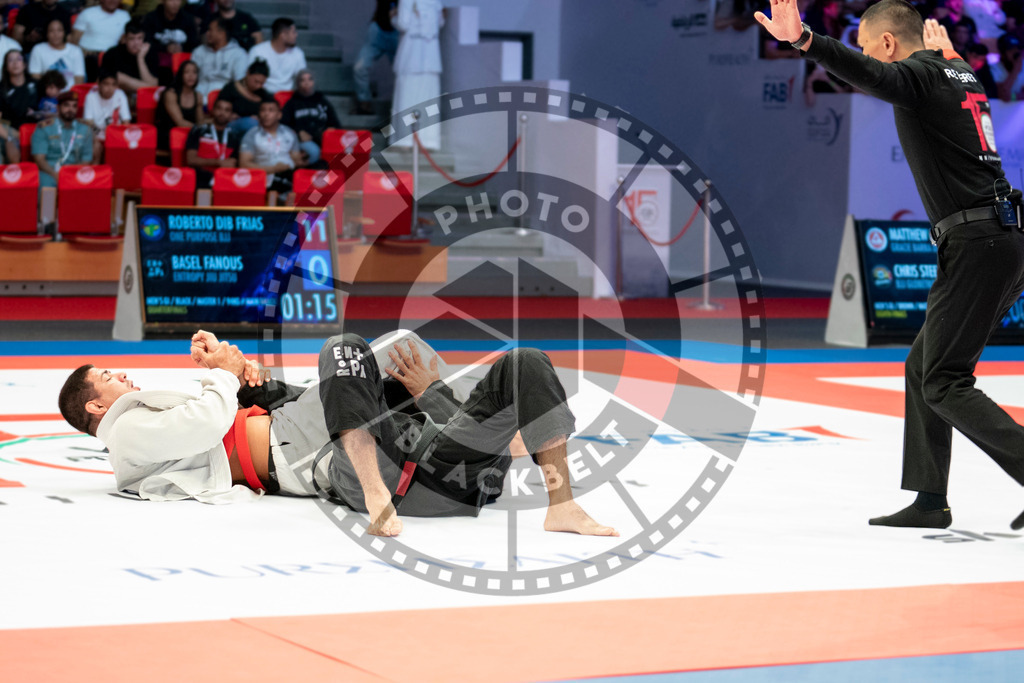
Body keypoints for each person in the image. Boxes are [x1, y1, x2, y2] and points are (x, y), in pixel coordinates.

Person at [756, 0, 1024, 530]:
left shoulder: (920, 75)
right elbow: (931, 71)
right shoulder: (960, 73)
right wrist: (950, 56)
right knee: (923, 368)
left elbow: (870, 73)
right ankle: (930, 499)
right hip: (1001, 237)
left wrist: (805, 39)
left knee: (943, 380)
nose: (866, 56)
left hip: (978, 243)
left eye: (867, 46)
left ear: (887, 43)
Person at [57, 329, 618, 538]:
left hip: (442, 465)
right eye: (108, 376)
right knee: (345, 350)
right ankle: (378, 494)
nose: (122, 375)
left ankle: (561, 504)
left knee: (525, 361)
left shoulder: (165, 417)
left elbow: (259, 399)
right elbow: (205, 420)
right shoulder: (125, 433)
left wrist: (238, 370)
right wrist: (224, 373)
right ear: (97, 406)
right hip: (342, 462)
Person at [392, 0, 443, 150]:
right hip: (431, 54)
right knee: (429, 99)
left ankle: (404, 140)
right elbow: (440, 22)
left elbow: (403, 23)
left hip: (411, 54)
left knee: (407, 97)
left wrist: (393, 17)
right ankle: (429, 140)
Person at [31, 89, 92, 188]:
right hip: (49, 172)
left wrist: (74, 176)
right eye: (66, 105)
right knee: (46, 186)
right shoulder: (44, 128)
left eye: (74, 106)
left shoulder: (85, 129)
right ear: (58, 108)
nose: (70, 109)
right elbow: (39, 159)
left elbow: (86, 158)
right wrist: (56, 175)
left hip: (75, 173)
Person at [239, 97, 302, 192]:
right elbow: (244, 164)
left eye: (271, 110)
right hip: (265, 178)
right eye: (263, 110)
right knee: (282, 182)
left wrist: (300, 161)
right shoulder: (251, 135)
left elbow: (296, 159)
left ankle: (313, 199)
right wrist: (274, 169)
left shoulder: (289, 133)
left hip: (289, 174)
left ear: (279, 115)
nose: (266, 114)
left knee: (319, 172)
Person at [281, 69, 339, 166]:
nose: (306, 83)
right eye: (302, 80)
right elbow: (283, 125)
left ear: (314, 82)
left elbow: (335, 124)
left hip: (322, 138)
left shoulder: (322, 101)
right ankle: (308, 174)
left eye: (310, 79)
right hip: (302, 141)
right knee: (313, 151)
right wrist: (298, 133)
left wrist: (330, 131)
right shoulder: (292, 103)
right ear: (297, 84)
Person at [353, 0, 400, 115]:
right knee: (359, 67)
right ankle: (364, 102)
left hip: (397, 33)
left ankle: (399, 107)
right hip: (378, 30)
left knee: (401, 72)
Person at [184, 96, 240, 187]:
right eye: (219, 108)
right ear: (213, 110)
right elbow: (191, 160)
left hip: (224, 179)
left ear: (231, 115)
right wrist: (218, 162)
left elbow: (232, 163)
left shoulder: (234, 136)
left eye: (227, 110)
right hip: (200, 177)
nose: (222, 113)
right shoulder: (199, 130)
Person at [70, 0, 131, 82]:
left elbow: (126, 41)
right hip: (88, 56)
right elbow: (74, 40)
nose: (113, 1)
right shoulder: (87, 13)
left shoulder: (124, 16)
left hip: (112, 58)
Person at [141, 0, 199, 85]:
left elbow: (194, 44)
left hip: (181, 67)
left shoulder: (188, 19)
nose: (175, 3)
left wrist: (181, 48)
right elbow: (146, 43)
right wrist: (166, 48)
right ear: (162, 1)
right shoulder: (151, 18)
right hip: (156, 67)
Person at [246, 17, 305, 94]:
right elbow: (249, 78)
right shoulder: (257, 51)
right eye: (293, 32)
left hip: (287, 96)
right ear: (283, 35)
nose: (296, 35)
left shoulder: (298, 53)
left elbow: (302, 78)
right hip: (262, 94)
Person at [191, 15, 246, 98]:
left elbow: (240, 82)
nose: (207, 33)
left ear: (222, 33)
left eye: (210, 30)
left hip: (224, 99)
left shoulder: (238, 54)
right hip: (198, 97)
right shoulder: (199, 51)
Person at [154, 58, 204, 151]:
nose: (191, 76)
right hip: (168, 135)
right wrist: (201, 130)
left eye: (194, 72)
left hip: (189, 135)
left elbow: (200, 122)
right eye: (187, 72)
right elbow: (180, 122)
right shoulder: (170, 93)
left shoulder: (198, 96)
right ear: (180, 75)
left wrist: (204, 129)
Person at [101, 19, 159, 96]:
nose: (136, 43)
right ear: (124, 39)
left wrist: (140, 58)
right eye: (132, 38)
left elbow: (153, 84)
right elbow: (107, 80)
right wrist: (148, 87)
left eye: (139, 38)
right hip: (117, 96)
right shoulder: (112, 53)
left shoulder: (150, 53)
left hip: (145, 97)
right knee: (118, 76)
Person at [83, 68, 131, 160]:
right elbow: (89, 123)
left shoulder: (120, 95)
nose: (110, 88)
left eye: (113, 84)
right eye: (106, 84)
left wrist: (114, 137)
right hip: (96, 136)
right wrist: (100, 135)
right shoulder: (90, 97)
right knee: (94, 146)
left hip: (115, 136)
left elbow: (126, 122)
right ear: (99, 84)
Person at [216, 57, 272, 135]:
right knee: (251, 123)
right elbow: (219, 109)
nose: (258, 86)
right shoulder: (231, 89)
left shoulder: (263, 94)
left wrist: (260, 117)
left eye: (262, 83)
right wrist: (230, 115)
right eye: (256, 81)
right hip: (232, 126)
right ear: (248, 73)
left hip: (257, 128)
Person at [28, 18, 85, 89]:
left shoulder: (76, 50)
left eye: (59, 30)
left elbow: (79, 77)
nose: (56, 34)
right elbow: (35, 75)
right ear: (47, 33)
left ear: (64, 33)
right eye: (51, 31)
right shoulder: (38, 49)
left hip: (70, 93)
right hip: (47, 92)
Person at [0, 49, 38, 129]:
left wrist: (37, 113)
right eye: (10, 60)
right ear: (6, 67)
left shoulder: (36, 84)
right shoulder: (1, 89)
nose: (15, 63)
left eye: (19, 59)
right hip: (10, 130)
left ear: (24, 64)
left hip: (37, 129)